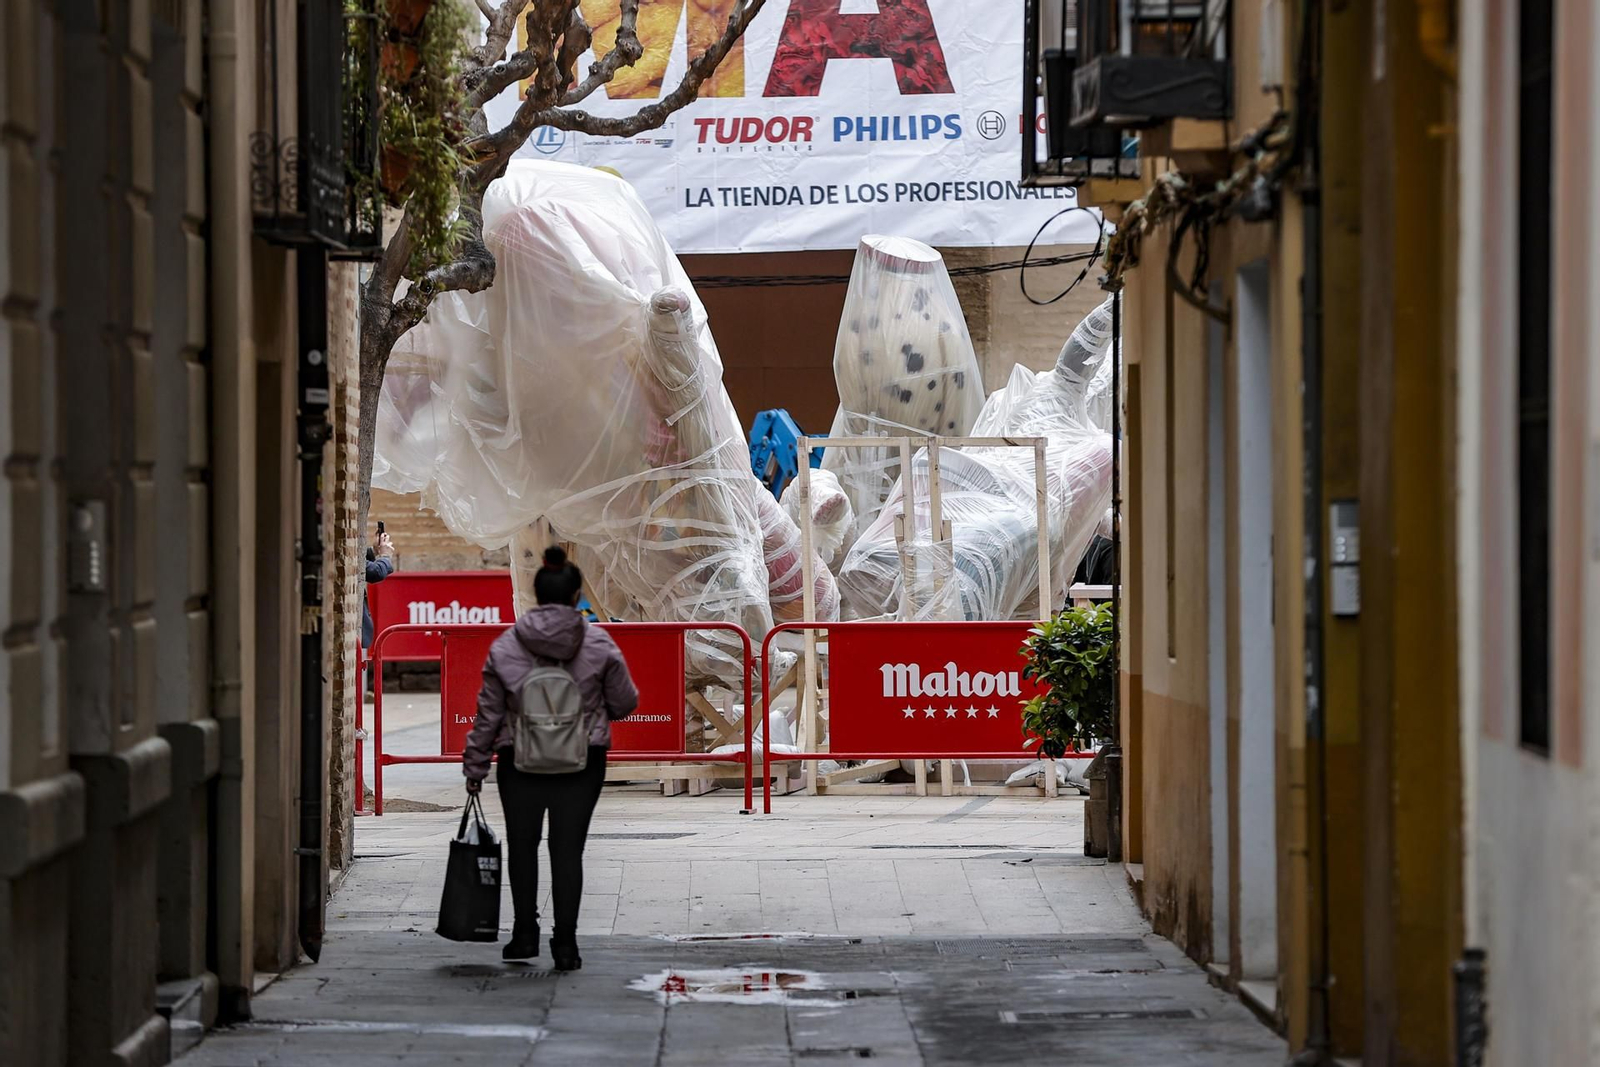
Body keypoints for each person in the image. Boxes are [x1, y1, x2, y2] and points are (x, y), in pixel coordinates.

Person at [461, 547, 639, 970]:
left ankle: (524, 935)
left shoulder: (506, 646)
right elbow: (625, 702)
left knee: (523, 848)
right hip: (583, 761)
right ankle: (566, 944)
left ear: (537, 595)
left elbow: (488, 714)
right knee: (567, 850)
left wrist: (475, 767)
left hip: (519, 759)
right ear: (577, 595)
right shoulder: (598, 643)